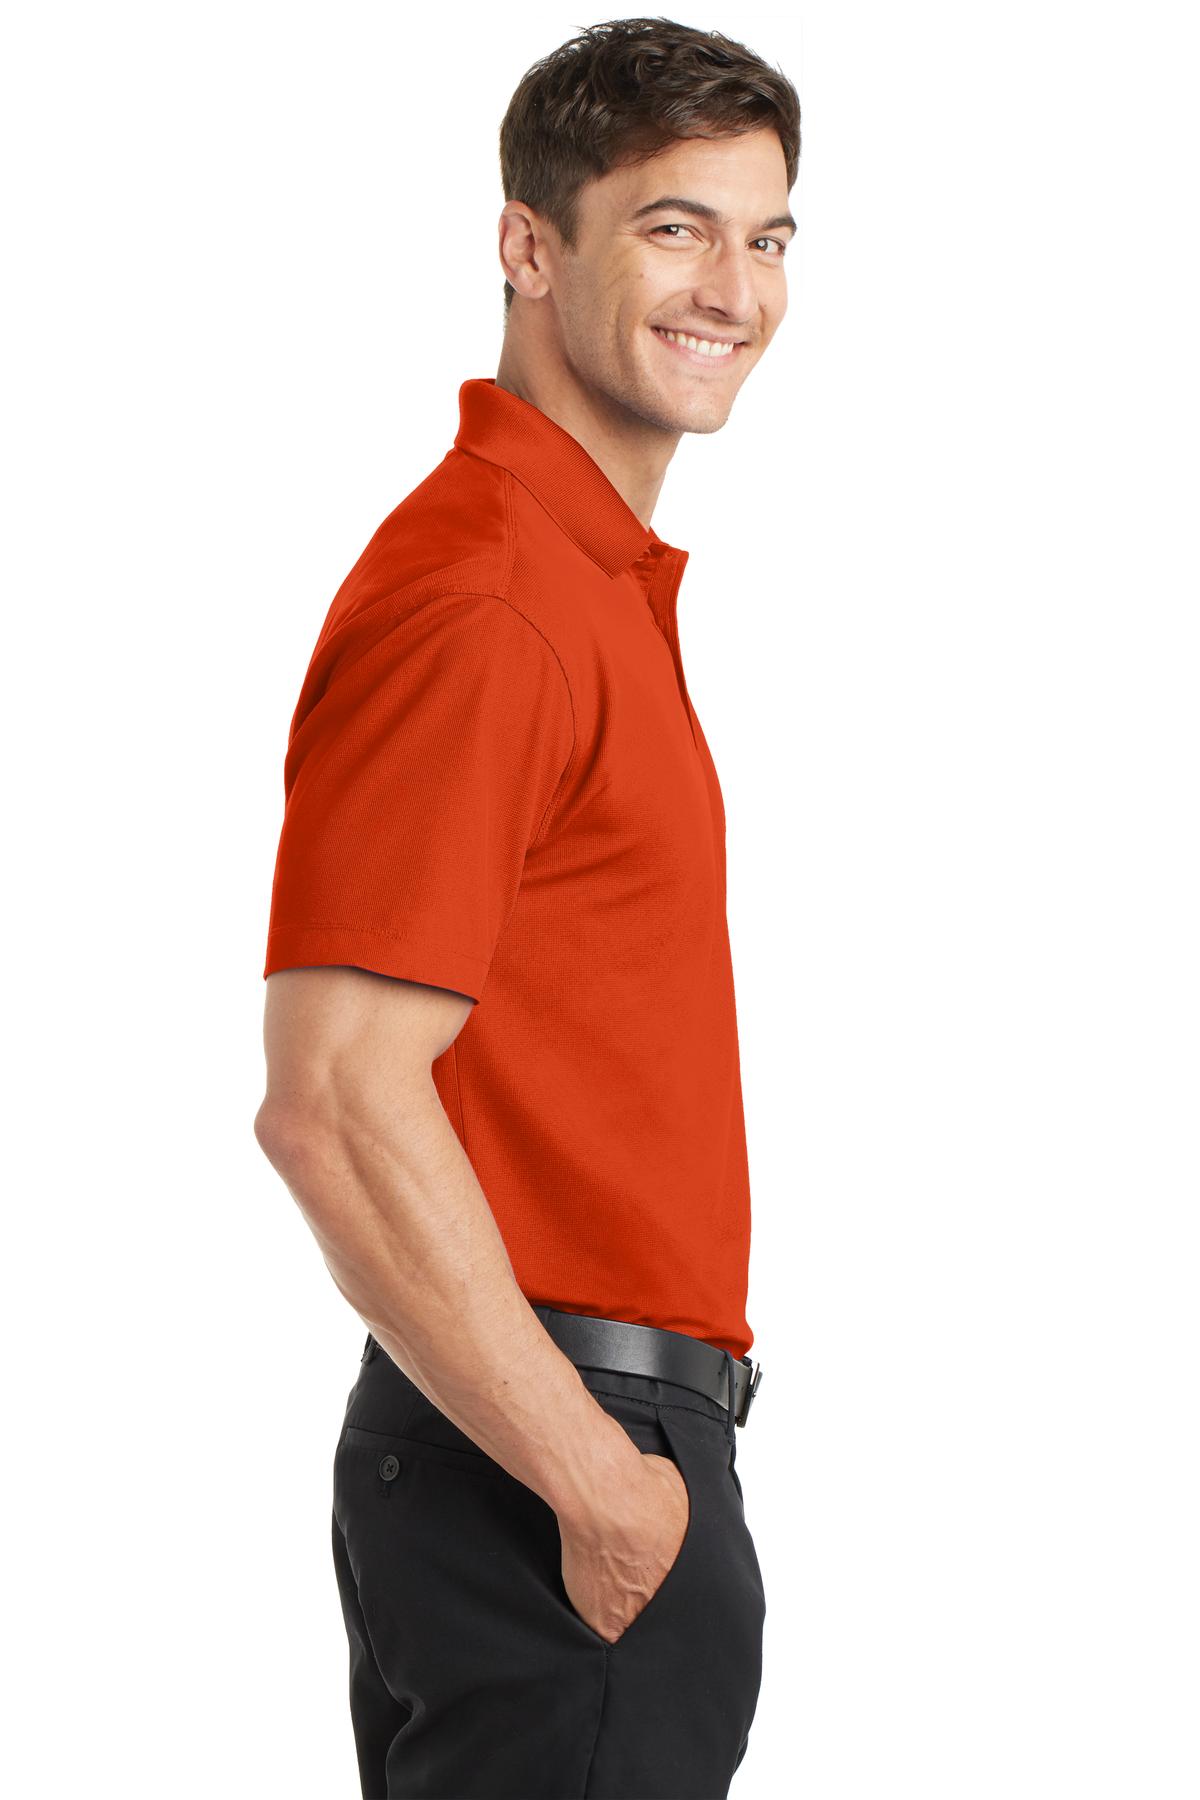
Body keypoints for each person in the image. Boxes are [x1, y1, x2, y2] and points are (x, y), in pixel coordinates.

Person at [254, 17, 800, 1798]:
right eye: (673, 228)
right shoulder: (493, 600)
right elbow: (335, 1099)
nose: (733, 289)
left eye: (768, 236)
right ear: (527, 244)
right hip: (557, 1475)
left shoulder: (576, 580)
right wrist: (599, 1488)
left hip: (555, 1454)